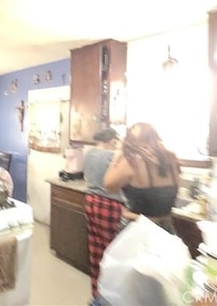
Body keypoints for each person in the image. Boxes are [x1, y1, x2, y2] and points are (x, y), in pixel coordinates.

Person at [103, 122, 180, 233]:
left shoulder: (132, 161)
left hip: (137, 230)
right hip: (166, 229)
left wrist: (117, 156)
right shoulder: (171, 159)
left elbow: (109, 185)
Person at [83, 128, 122, 305]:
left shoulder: (89, 154)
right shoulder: (113, 156)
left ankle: (97, 291)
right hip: (110, 204)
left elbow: (87, 177)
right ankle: (110, 296)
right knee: (112, 253)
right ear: (112, 140)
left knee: (96, 249)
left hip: (91, 201)